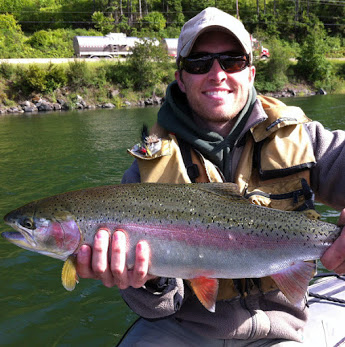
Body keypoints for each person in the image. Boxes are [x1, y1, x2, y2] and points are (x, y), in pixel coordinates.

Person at [76, 7, 345, 346]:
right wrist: (150, 281)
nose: (217, 74)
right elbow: (157, 307)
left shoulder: (303, 138)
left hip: (283, 327)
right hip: (185, 331)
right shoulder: (145, 172)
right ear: (181, 77)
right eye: (199, 64)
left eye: (232, 61)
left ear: (250, 72)